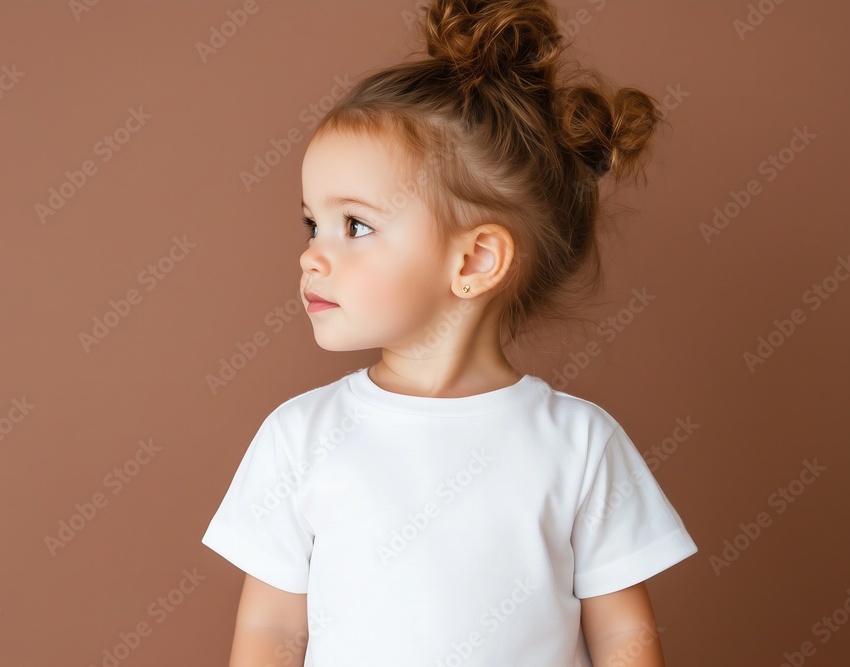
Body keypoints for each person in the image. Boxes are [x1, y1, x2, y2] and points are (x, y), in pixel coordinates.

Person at [201, 0, 697, 664]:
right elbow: (268, 630)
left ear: (473, 261)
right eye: (310, 223)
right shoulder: (300, 438)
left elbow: (622, 634)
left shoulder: (578, 445)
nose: (312, 255)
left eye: (354, 225)